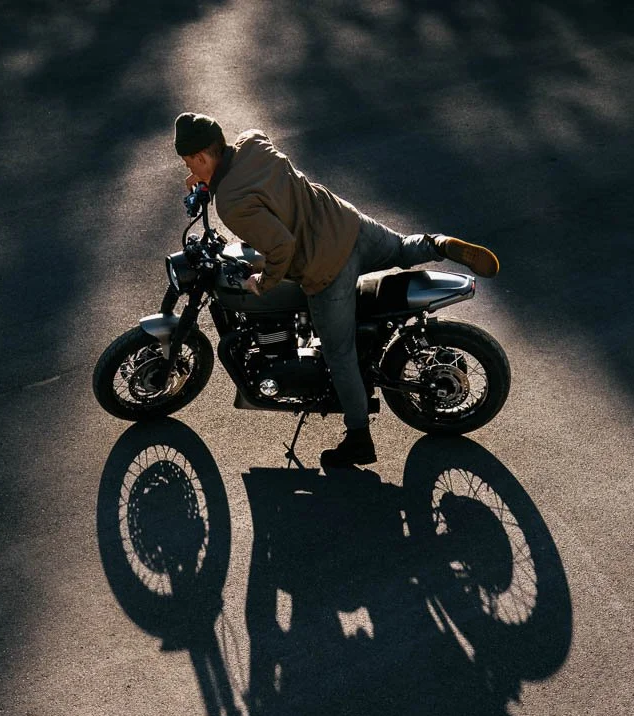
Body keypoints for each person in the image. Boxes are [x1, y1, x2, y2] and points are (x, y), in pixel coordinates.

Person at [174, 112, 500, 470]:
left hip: (327, 269)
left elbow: (281, 248)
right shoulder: (252, 141)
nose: (190, 170)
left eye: (190, 162)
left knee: (338, 353)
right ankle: (441, 244)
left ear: (202, 157)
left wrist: (260, 283)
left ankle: (359, 438)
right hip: (347, 223)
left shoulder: (231, 205)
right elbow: (256, 177)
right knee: (404, 249)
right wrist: (209, 180)